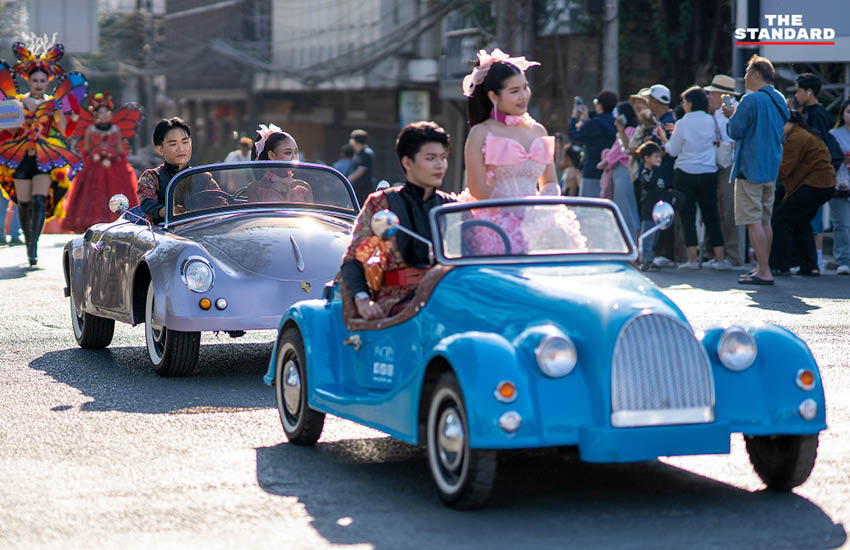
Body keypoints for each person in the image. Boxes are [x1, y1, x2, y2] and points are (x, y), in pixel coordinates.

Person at [460, 48, 584, 254]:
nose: (523, 96)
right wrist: (517, 209)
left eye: (525, 87)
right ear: (493, 96)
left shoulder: (538, 130)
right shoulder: (480, 132)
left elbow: (551, 181)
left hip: (539, 220)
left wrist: (543, 209)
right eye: (514, 91)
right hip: (496, 224)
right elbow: (477, 188)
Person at [340, 121, 455, 320]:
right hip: (398, 301)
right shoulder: (382, 203)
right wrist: (362, 299)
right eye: (431, 158)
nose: (440, 165)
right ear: (407, 162)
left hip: (447, 297)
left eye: (443, 158)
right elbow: (355, 258)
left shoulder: (452, 206)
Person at [0, 34, 86, 266]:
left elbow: (64, 131)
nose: (38, 84)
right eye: (35, 80)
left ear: (47, 82)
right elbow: (6, 130)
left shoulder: (54, 104)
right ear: (29, 80)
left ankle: (33, 247)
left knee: (39, 201)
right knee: (24, 203)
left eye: (42, 81)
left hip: (45, 158)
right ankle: (28, 241)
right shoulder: (17, 102)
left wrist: (74, 115)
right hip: (19, 158)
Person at [725, 54, 789, 286]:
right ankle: (762, 266)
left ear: (754, 74)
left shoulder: (750, 101)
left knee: (753, 221)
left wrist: (731, 114)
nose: (744, 78)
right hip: (771, 166)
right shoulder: (779, 98)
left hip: (749, 167)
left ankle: (764, 270)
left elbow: (734, 130)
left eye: (746, 74)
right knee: (764, 220)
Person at [655, 86, 725, 270]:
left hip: (686, 172)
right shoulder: (711, 120)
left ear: (691, 102)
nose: (683, 105)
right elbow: (716, 141)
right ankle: (720, 258)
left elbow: (672, 150)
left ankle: (692, 260)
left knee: (688, 216)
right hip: (709, 171)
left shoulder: (683, 122)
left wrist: (664, 138)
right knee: (711, 215)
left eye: (684, 101)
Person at [61, 91, 143, 233]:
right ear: (96, 115)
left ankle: (118, 220)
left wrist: (110, 156)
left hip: (113, 166)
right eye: (101, 112)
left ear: (110, 114)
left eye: (106, 112)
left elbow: (119, 149)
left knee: (117, 192)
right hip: (94, 166)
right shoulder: (90, 130)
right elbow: (85, 149)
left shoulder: (115, 129)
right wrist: (95, 155)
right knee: (93, 194)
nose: (104, 115)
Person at [768, 110, 835, 276]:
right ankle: (809, 266)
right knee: (801, 222)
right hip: (824, 185)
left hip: (814, 184)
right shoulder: (803, 134)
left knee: (780, 219)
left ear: (787, 122)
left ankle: (780, 265)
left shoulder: (796, 138)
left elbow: (785, 170)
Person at [793, 73, 843, 271]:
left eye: (798, 90)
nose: (796, 94)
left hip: (817, 173)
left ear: (808, 92)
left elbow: (819, 145)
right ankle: (812, 260)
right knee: (810, 217)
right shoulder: (811, 112)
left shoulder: (817, 115)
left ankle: (816, 259)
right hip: (815, 173)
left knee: (813, 218)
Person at [137, 117, 225, 223]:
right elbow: (147, 204)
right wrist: (167, 211)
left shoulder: (203, 177)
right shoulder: (152, 177)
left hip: (201, 232)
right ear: (160, 149)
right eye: (173, 144)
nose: (181, 149)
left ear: (191, 142)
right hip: (164, 234)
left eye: (185, 142)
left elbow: (221, 203)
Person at [704, 74, 745, 269]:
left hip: (730, 163)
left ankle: (733, 256)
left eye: (711, 93)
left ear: (722, 94)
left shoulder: (730, 109)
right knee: (721, 211)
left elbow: (731, 138)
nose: (708, 97)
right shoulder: (720, 111)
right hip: (722, 163)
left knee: (730, 211)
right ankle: (721, 254)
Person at [634, 141, 679, 270]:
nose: (658, 159)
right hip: (648, 210)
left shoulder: (660, 172)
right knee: (647, 235)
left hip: (659, 211)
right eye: (655, 157)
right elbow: (649, 185)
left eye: (659, 157)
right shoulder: (645, 173)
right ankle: (645, 260)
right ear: (646, 158)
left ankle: (652, 258)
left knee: (656, 237)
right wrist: (655, 171)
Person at [568, 89, 618, 197]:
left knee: (588, 208)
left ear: (600, 105)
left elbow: (574, 137)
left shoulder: (593, 124)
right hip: (611, 172)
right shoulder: (616, 123)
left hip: (592, 170)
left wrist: (573, 116)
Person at [245, 123, 311, 203]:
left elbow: (311, 214)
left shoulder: (303, 187)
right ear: (272, 155)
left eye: (296, 152)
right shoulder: (255, 188)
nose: (294, 158)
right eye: (288, 153)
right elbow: (257, 215)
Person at [604, 101, 640, 239]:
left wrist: (606, 156)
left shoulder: (629, 131)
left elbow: (616, 154)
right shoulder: (622, 132)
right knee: (623, 209)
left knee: (626, 211)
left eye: (617, 113)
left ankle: (630, 242)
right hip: (619, 175)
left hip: (625, 174)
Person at [829, 98, 850, 275]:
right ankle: (843, 260)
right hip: (840, 184)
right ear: (842, 114)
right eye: (849, 112)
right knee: (841, 224)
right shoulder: (834, 134)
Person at [348, 129, 375, 206]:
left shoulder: (366, 153)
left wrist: (347, 180)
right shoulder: (358, 153)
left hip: (364, 188)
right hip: (357, 187)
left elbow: (360, 170)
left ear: (354, 141)